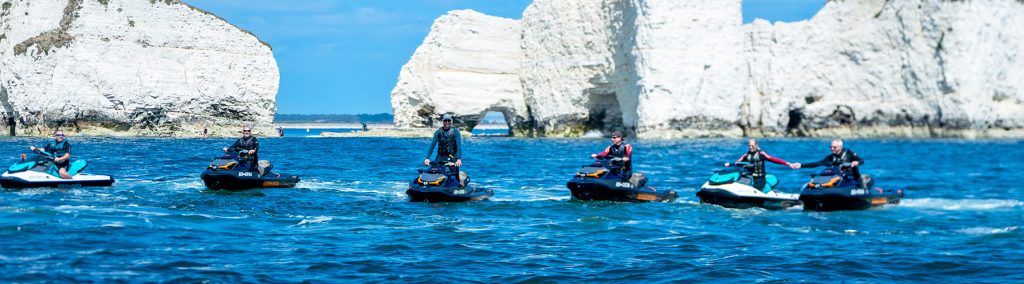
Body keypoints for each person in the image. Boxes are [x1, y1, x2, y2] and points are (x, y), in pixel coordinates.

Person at [724, 139, 797, 192]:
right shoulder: (746, 155)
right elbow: (738, 163)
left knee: (755, 189)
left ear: (756, 145)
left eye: (752, 146)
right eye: (749, 146)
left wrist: (788, 164)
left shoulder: (761, 154)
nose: (751, 147)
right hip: (751, 179)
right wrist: (729, 164)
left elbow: (773, 159)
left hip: (760, 179)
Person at [794, 139, 865, 187]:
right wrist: (801, 165)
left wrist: (856, 162)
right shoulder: (831, 157)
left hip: (851, 177)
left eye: (834, 147)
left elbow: (861, 160)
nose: (832, 149)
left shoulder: (848, 153)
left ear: (840, 147)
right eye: (831, 147)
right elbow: (818, 163)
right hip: (839, 178)